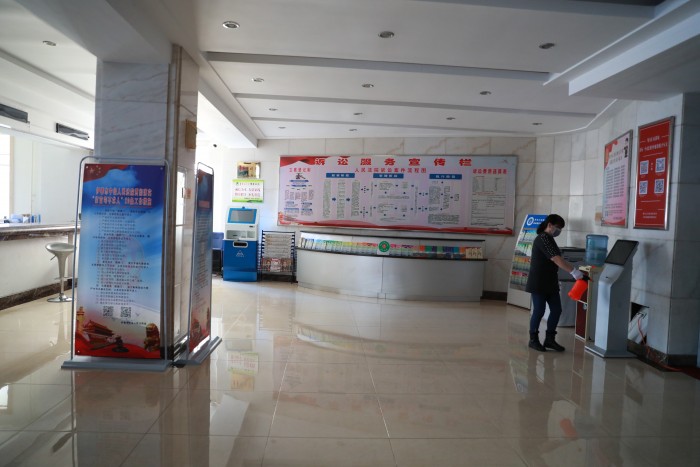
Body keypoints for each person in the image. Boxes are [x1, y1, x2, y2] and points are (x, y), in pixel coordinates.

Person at [525, 214, 585, 352]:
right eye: (558, 227)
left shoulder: (550, 238)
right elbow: (556, 259)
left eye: (561, 228)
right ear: (549, 225)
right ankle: (533, 339)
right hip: (538, 281)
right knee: (539, 310)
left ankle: (550, 339)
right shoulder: (542, 238)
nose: (559, 231)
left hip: (550, 281)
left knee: (556, 310)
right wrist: (574, 272)